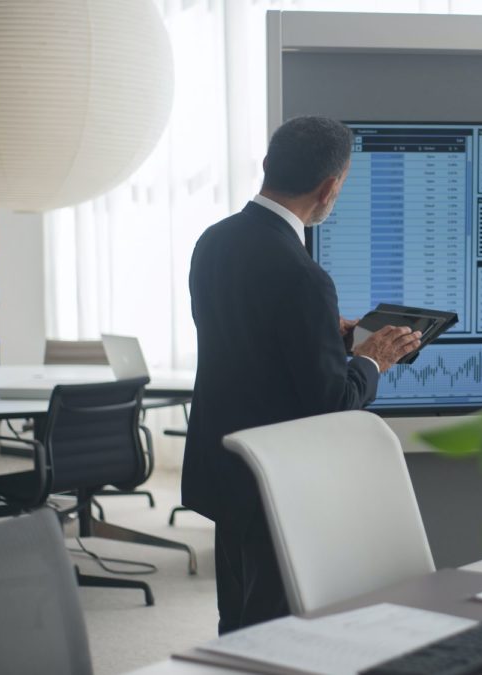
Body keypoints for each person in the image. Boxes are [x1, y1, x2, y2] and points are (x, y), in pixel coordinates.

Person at [183, 116, 421, 634]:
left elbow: (244, 342)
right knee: (276, 633)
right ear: (330, 187)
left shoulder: (214, 241)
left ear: (269, 166)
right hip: (275, 480)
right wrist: (372, 358)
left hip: (225, 465)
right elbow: (331, 404)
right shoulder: (303, 275)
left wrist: (324, 336)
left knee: (237, 622)